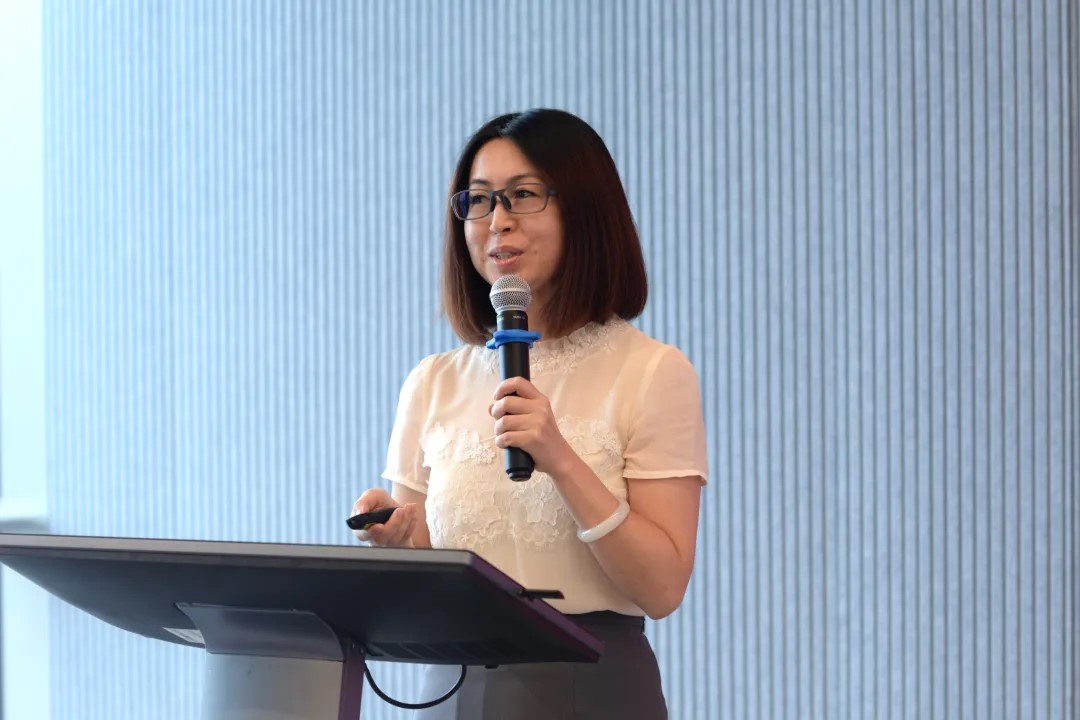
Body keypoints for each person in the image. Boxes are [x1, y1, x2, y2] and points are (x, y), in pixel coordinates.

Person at [351, 108, 707, 720]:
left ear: (584, 210)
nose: (497, 220)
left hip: (592, 689)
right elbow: (424, 587)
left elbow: (662, 587)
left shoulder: (652, 371)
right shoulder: (432, 382)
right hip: (452, 691)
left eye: (522, 195)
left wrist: (560, 458)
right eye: (479, 200)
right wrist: (403, 544)